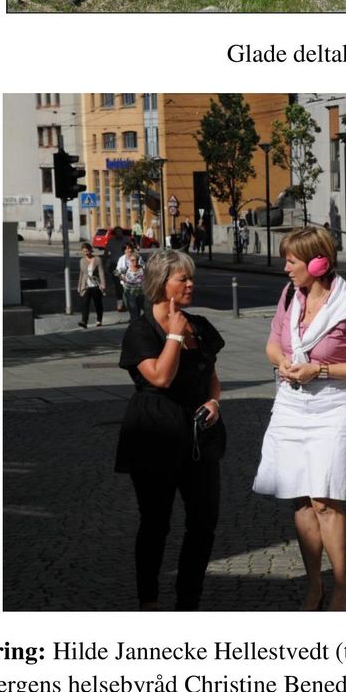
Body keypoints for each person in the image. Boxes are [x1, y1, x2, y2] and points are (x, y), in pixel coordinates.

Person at [253, 228, 346, 611]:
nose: (286, 268)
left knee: (325, 500)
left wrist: (320, 371)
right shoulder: (291, 295)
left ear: (317, 262)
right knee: (300, 500)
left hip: (332, 409)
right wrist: (284, 362)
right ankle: (314, 585)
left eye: (292, 261)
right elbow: (273, 343)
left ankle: (341, 586)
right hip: (291, 407)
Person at [115, 250, 224, 610]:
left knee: (204, 523)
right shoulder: (141, 330)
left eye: (191, 277)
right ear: (162, 284)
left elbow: (211, 377)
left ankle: (187, 600)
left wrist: (214, 402)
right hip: (154, 434)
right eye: (183, 279)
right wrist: (174, 338)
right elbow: (160, 377)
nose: (191, 284)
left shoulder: (201, 326)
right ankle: (148, 601)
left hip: (198, 435)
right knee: (156, 524)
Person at [77, 242, 106, 327]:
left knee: (98, 303)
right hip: (86, 285)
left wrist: (103, 284)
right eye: (84, 251)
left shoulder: (97, 259)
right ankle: (84, 321)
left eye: (87, 251)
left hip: (96, 285)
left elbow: (101, 272)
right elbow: (81, 274)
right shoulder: (82, 261)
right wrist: (79, 286)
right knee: (85, 303)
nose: (86, 253)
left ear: (90, 250)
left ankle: (99, 320)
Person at [119, 247, 146, 322]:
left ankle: (139, 322)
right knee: (134, 309)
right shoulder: (127, 269)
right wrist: (121, 278)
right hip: (130, 292)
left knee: (140, 307)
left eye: (136, 260)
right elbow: (121, 276)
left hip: (141, 292)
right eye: (132, 260)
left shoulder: (142, 269)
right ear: (130, 261)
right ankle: (135, 323)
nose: (135, 262)